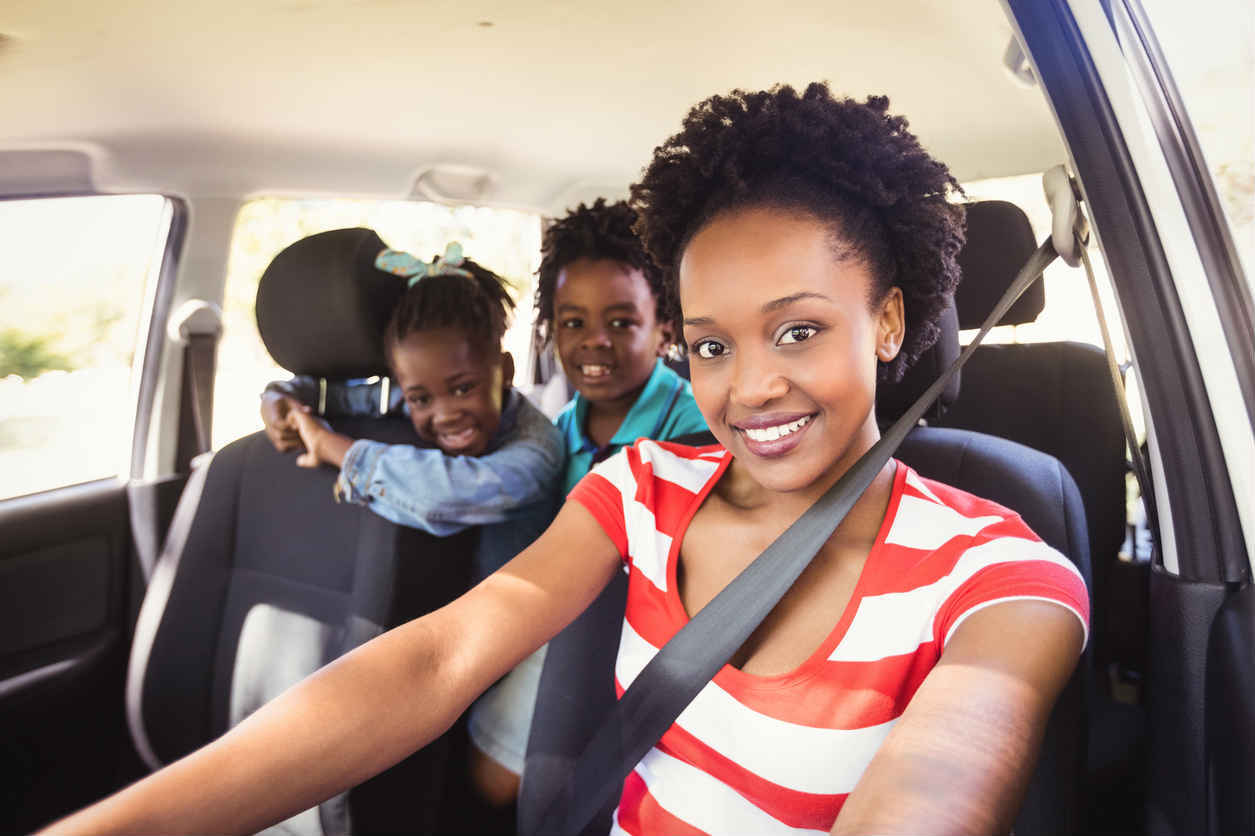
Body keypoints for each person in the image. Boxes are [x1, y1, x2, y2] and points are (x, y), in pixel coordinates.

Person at [45, 83, 1088, 836]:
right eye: (712, 343)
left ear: (891, 317)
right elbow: (436, 657)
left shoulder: (1002, 572)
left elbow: (938, 778)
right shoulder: (635, 487)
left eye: (799, 329)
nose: (749, 387)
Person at [276, 242, 567, 810]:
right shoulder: (403, 403)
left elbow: (446, 494)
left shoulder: (537, 450)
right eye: (420, 397)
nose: (443, 413)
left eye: (462, 387)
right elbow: (336, 392)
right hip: (456, 620)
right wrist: (283, 397)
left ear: (503, 371)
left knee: (489, 784)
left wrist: (334, 447)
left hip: (531, 628)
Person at [536, 199, 709, 494]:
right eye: (574, 323)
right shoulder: (560, 431)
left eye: (620, 323)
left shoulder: (697, 427)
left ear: (665, 333)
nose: (594, 340)